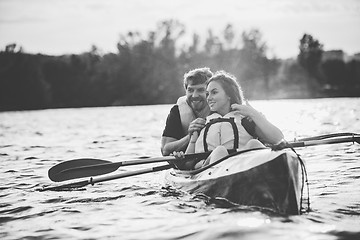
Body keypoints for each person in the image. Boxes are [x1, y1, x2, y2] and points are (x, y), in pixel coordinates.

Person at [177, 70, 284, 169]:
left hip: (243, 169)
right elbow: (187, 165)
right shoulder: (201, 124)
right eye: (207, 94)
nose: (208, 98)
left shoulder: (245, 121)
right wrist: (180, 157)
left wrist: (253, 114)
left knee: (254, 144)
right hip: (208, 170)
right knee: (220, 151)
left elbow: (278, 139)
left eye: (214, 92)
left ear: (229, 95)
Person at [161, 67, 213, 158]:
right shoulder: (177, 111)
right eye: (190, 90)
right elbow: (165, 149)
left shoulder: (219, 106)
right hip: (189, 162)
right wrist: (190, 136)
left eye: (201, 90)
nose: (195, 95)